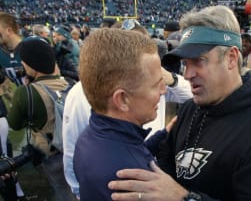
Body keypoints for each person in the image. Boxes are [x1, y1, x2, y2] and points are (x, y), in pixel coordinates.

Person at [107, 5, 251, 200]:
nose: (187, 75)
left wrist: (184, 198)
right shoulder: (190, 108)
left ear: (231, 58)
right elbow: (166, 163)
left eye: (198, 61)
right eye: (186, 63)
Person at [62, 30, 192, 199]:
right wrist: (183, 197)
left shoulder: (89, 137)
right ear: (122, 99)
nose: (163, 90)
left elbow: (124, 150)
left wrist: (160, 137)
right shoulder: (135, 181)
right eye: (155, 85)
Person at [7, 38, 77, 200]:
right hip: (76, 148)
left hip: (51, 154)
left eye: (24, 62)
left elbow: (14, 124)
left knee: (62, 190)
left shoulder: (26, 93)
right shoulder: (70, 82)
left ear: (31, 65)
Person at [0, 12, 26, 200]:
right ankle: (16, 191)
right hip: (23, 100)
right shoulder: (3, 52)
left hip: (40, 98)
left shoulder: (30, 45)